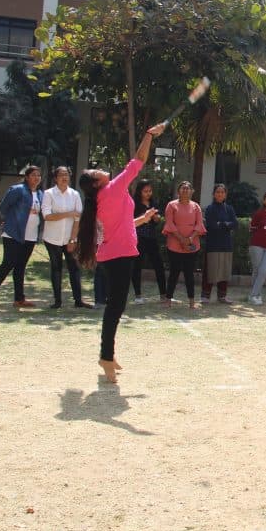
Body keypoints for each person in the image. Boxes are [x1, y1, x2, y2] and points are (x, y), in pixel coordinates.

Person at [76, 122, 166, 383]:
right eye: (95, 170)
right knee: (115, 307)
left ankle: (108, 353)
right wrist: (149, 135)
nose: (99, 168)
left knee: (115, 306)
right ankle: (106, 356)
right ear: (96, 182)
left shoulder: (103, 198)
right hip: (118, 257)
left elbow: (122, 225)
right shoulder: (112, 189)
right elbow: (138, 160)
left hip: (114, 255)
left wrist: (144, 218)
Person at [0, 164, 42, 309]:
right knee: (7, 264)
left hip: (30, 236)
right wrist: (8, 221)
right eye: (33, 175)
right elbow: (3, 207)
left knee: (21, 267)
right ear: (27, 177)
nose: (36, 178)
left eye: (38, 175)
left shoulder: (41, 194)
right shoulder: (18, 190)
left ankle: (19, 299)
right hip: (13, 234)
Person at [41, 166, 90, 309]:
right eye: (61, 175)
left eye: (67, 175)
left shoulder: (74, 194)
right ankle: (57, 301)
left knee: (74, 268)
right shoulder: (49, 194)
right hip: (52, 238)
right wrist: (68, 213)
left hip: (70, 238)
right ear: (55, 178)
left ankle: (78, 300)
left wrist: (73, 239)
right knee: (56, 268)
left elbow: (78, 219)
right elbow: (47, 216)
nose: (64, 177)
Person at [162, 181, 205, 309]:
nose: (185, 190)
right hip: (174, 244)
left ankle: (191, 301)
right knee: (174, 273)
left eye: (188, 188)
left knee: (189, 274)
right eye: (183, 188)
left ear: (192, 191)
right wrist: (181, 239)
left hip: (192, 244)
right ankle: (168, 299)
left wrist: (190, 239)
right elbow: (170, 223)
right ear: (178, 191)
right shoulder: (171, 205)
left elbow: (199, 225)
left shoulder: (196, 206)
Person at [130, 179, 166, 304]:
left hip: (151, 237)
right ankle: (138, 295)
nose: (148, 193)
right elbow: (131, 221)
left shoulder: (153, 203)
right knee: (137, 266)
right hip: (138, 238)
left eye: (150, 191)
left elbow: (158, 220)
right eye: (145, 191)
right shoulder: (134, 204)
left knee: (159, 265)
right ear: (140, 191)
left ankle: (163, 294)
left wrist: (156, 218)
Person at [201, 183, 237, 304]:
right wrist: (225, 224)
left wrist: (222, 224)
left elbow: (234, 224)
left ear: (225, 195)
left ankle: (222, 296)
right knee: (209, 270)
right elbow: (211, 225)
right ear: (213, 194)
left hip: (226, 244)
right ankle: (205, 296)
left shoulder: (229, 208)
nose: (220, 194)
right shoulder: (210, 209)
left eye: (222, 192)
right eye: (218, 192)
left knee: (224, 270)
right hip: (213, 244)